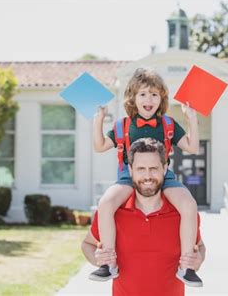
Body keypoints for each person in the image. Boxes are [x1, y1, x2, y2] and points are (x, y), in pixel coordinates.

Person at [91, 67, 202, 286]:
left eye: (154, 94)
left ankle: (187, 267)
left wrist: (192, 119)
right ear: (133, 98)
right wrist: (98, 120)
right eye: (142, 94)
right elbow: (100, 145)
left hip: (164, 175)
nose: (148, 99)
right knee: (105, 204)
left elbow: (192, 147)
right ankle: (108, 263)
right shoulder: (123, 125)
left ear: (161, 99)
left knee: (189, 205)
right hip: (128, 175)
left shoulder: (168, 124)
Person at [82, 138, 206, 296]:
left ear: (165, 168)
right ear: (130, 170)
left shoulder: (182, 213)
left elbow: (200, 246)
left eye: (154, 168)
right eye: (141, 169)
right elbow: (87, 244)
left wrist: (198, 259)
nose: (148, 176)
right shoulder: (112, 212)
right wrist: (98, 259)